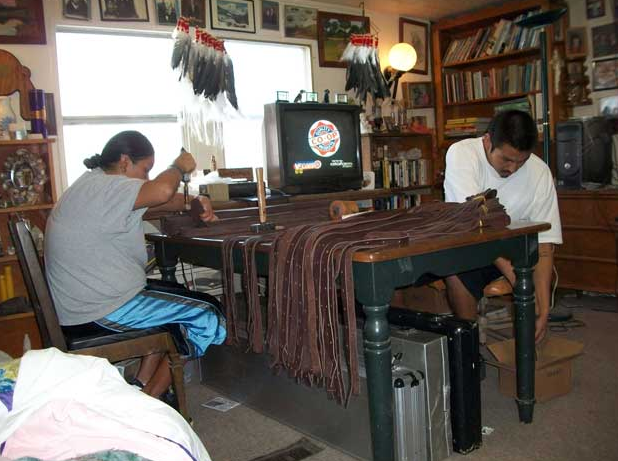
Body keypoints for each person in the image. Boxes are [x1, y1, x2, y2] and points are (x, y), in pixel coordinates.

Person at [45, 130, 225, 403]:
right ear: (125, 162)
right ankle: (150, 403)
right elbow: (163, 190)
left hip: (88, 304)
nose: (148, 178)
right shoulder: (107, 189)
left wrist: (194, 201)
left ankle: (140, 383)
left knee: (174, 296)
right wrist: (178, 166)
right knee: (208, 313)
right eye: (146, 170)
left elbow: (164, 199)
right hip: (101, 310)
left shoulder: (94, 185)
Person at [443, 110, 562, 344]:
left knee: (534, 279)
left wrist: (544, 307)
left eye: (522, 161)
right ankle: (469, 345)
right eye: (506, 159)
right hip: (468, 242)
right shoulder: (462, 154)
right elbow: (479, 223)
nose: (513, 169)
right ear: (488, 141)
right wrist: (520, 283)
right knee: (456, 274)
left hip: (514, 249)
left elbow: (545, 244)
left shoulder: (540, 172)